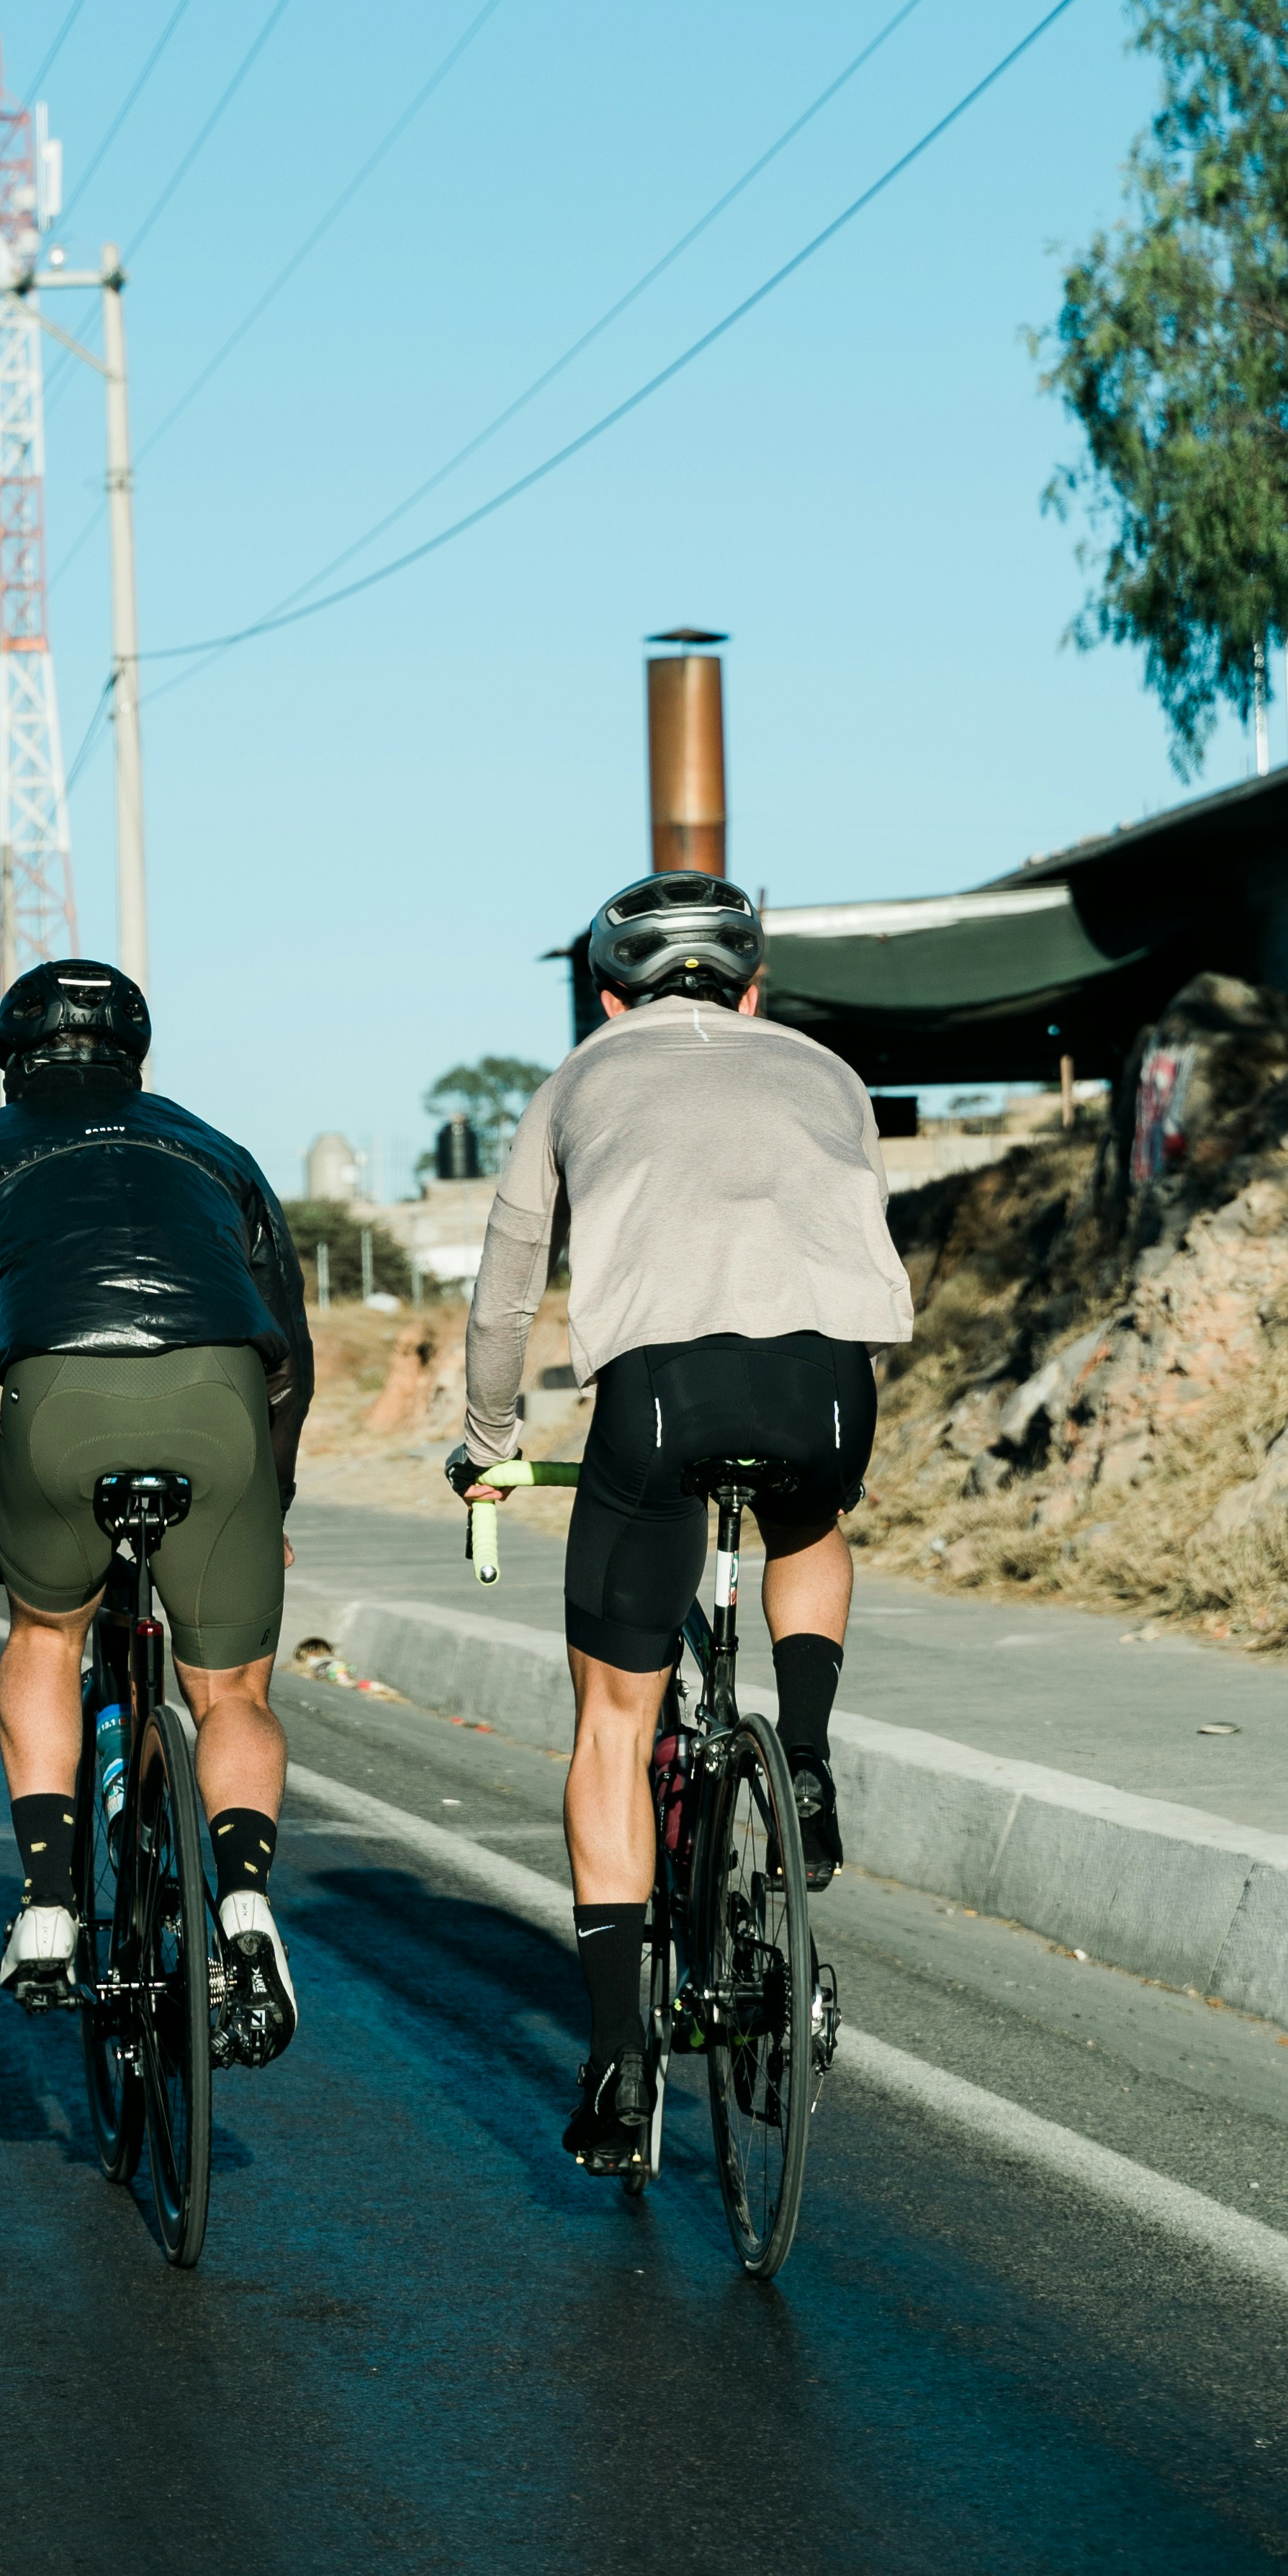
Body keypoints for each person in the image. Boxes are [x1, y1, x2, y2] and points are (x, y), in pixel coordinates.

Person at [452, 870, 912, 2179]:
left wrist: (489, 1449)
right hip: (827, 1385)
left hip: (659, 1395)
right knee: (810, 1530)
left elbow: (503, 1302)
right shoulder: (828, 1072)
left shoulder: (579, 1079)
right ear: (756, 990)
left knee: (615, 1725)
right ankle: (805, 1757)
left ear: (607, 994)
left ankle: (617, 2057)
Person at [0, 959, 315, 2064]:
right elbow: (290, 1358)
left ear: (11, 1056)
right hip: (219, 1403)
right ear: (136, 1051)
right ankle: (250, 1911)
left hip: (59, 1405)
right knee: (233, 1694)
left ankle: (47, 1907)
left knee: (44, 1632)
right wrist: (272, 1501)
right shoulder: (216, 1147)